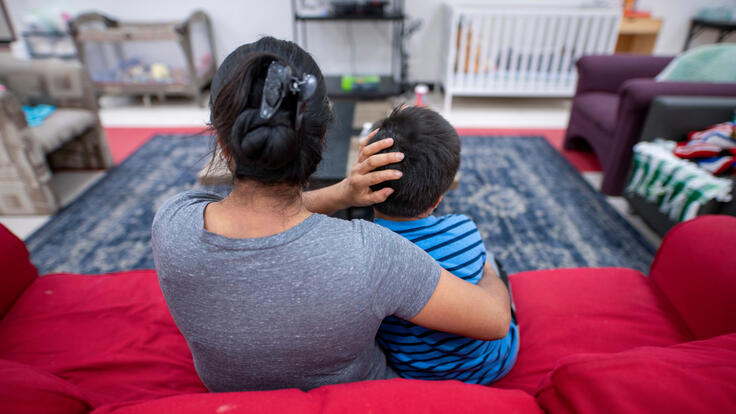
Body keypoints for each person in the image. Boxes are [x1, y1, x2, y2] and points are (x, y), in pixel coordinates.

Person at [151, 37, 511, 392]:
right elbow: (495, 322)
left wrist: (343, 193)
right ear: (322, 140)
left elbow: (255, 215)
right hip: (361, 397)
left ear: (224, 144)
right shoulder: (371, 253)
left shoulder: (173, 224)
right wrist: (489, 270)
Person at [368, 106, 520, 384]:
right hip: (491, 366)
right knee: (491, 261)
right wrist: (488, 272)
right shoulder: (463, 229)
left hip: (415, 372)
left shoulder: (363, 250)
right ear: (438, 198)